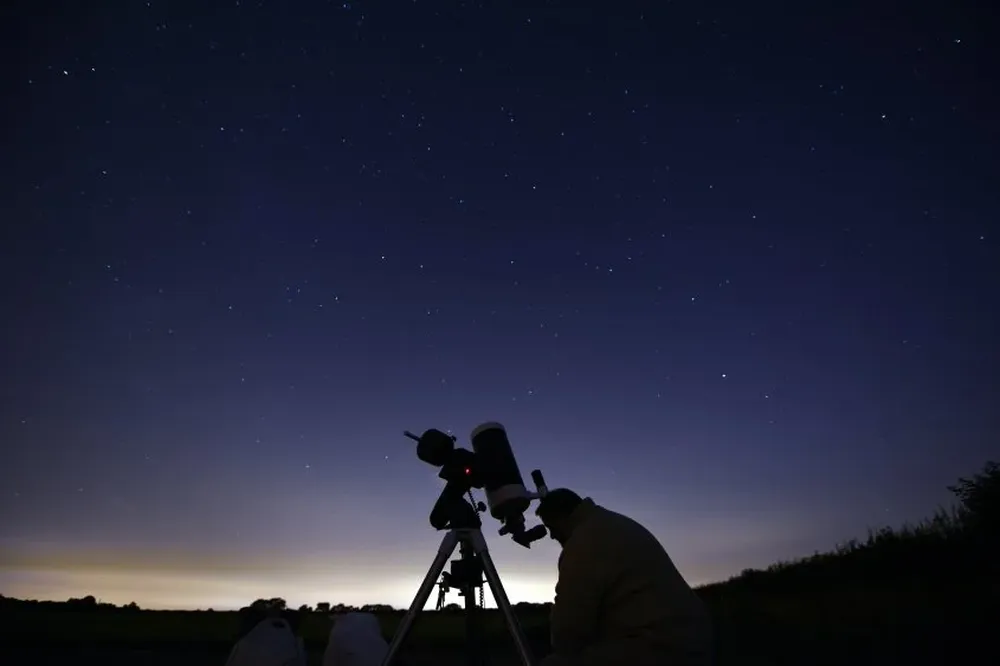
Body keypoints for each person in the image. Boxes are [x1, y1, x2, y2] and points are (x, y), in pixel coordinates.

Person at [535, 489, 713, 666]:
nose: (552, 536)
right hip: (693, 638)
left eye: (551, 527)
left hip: (663, 649)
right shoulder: (611, 523)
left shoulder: (581, 544)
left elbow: (567, 635)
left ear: (560, 517)